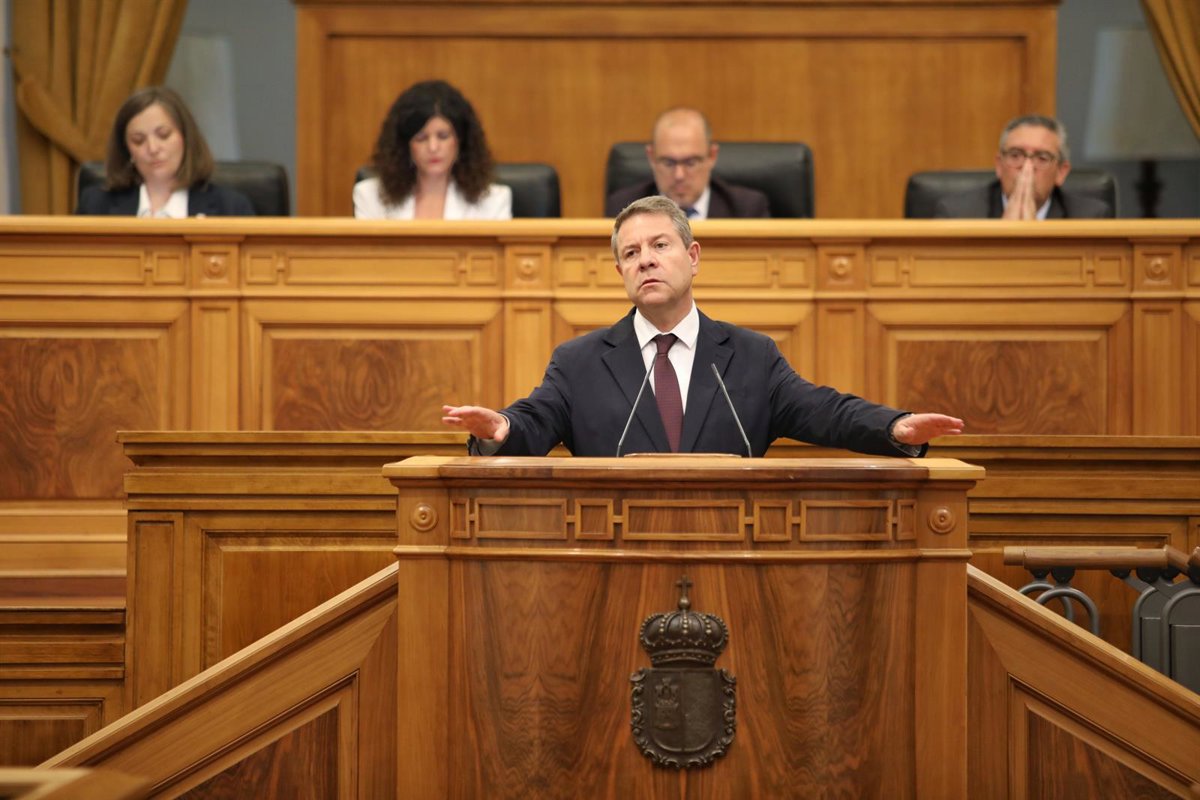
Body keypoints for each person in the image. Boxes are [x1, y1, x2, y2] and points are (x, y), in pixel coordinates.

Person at [444, 196, 962, 458]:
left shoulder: (751, 356)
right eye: (631, 253)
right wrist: (501, 428)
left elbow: (825, 410)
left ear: (693, 257)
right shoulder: (580, 362)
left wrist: (895, 427)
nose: (646, 260)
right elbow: (535, 420)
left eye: (659, 246)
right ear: (621, 272)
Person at [77, 86, 254, 217]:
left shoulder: (231, 208)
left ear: (186, 138)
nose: (153, 148)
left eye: (163, 135)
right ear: (126, 149)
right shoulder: (95, 206)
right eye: (138, 140)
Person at [354, 80, 511, 220]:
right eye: (421, 138)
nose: (433, 147)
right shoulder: (370, 197)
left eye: (443, 136)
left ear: (461, 140)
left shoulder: (493, 201)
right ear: (405, 144)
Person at [934, 115, 1113, 220]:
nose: (1027, 168)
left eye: (1041, 158)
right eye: (1015, 155)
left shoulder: (1091, 217)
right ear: (999, 165)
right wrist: (1003, 236)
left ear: (1061, 172)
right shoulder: (957, 215)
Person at [604, 108, 770, 219]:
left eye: (691, 163)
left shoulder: (747, 209)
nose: (679, 175)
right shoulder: (624, 208)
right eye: (668, 163)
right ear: (651, 157)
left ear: (712, 156)